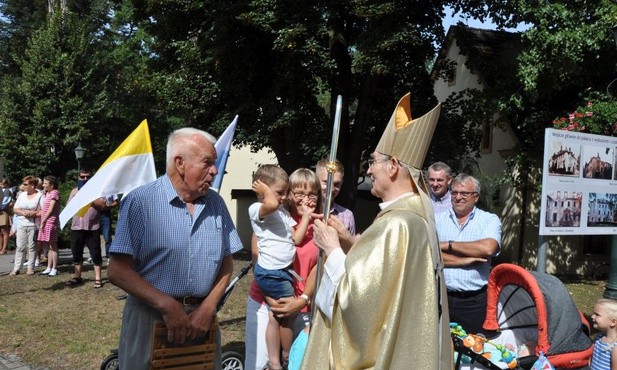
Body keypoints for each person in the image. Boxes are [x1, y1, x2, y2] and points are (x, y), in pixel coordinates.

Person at [301, 93, 451, 369]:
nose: (369, 170)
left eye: (373, 162)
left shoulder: (396, 224)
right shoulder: (417, 217)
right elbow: (390, 283)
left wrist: (331, 248)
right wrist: (349, 242)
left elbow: (360, 302)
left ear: (393, 166)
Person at [107, 127, 243, 370]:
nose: (215, 170)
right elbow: (117, 271)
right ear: (180, 163)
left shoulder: (216, 204)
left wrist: (208, 308)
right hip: (150, 320)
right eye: (207, 163)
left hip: (201, 322)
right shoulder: (140, 202)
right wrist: (167, 305)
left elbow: (227, 264)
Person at [245, 168, 324, 370]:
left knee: (299, 363)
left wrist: (302, 300)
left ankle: (284, 358)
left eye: (311, 194)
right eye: (299, 193)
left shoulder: (319, 223)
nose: (305, 199)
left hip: (301, 306)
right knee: (260, 363)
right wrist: (273, 301)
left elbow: (318, 267)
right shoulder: (270, 217)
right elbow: (259, 264)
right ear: (289, 194)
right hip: (267, 301)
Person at [436, 173, 501, 335]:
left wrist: (448, 245)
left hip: (474, 302)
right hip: (441, 298)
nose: (458, 197)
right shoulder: (437, 220)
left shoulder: (489, 220)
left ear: (476, 197)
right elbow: (429, 254)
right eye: (454, 193)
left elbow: (488, 249)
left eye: (464, 194)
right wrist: (464, 261)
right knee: (440, 350)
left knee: (475, 349)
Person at [65, 169, 106, 288]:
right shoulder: (74, 191)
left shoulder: (97, 191)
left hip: (92, 227)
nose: (85, 179)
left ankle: (98, 278)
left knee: (95, 253)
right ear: (78, 178)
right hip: (77, 226)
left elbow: (103, 205)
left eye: (87, 177)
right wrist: (78, 197)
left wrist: (90, 196)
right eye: (82, 177)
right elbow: (69, 208)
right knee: (76, 252)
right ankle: (77, 277)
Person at [10, 176, 44, 276]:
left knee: (32, 247)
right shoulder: (22, 195)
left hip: (33, 224)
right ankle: (16, 268)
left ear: (32, 185)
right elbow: (15, 209)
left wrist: (34, 214)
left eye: (26, 184)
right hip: (21, 223)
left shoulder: (40, 196)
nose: (23, 186)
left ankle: (30, 267)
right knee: (20, 246)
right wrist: (24, 213)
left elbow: (44, 210)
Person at [315, 159, 356, 235]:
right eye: (326, 183)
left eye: (337, 184)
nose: (332, 189)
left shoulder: (347, 215)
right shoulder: (306, 211)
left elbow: (351, 246)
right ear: (316, 180)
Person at [37, 176, 61, 276]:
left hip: (50, 221)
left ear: (52, 185)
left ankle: (54, 268)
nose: (43, 185)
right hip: (46, 221)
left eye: (45, 183)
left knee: (53, 246)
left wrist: (43, 221)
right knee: (48, 246)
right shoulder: (47, 193)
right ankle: (49, 267)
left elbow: (50, 209)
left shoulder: (55, 193)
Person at [590, 298, 617, 370]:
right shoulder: (599, 337)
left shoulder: (615, 346)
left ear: (613, 322)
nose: (592, 316)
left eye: (597, 314)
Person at [100, 194, 119, 259]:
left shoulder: (111, 189)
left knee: (107, 236)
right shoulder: (95, 188)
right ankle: (96, 255)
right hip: (95, 212)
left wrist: (109, 206)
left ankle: (109, 255)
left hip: (106, 213)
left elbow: (116, 202)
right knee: (94, 236)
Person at [0, 178, 14, 254]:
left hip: (4, 211)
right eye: (0, 184)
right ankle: (0, 247)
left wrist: (10, 203)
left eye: (3, 184)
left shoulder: (8, 191)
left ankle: (4, 248)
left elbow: (11, 201)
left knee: (4, 231)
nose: (2, 186)